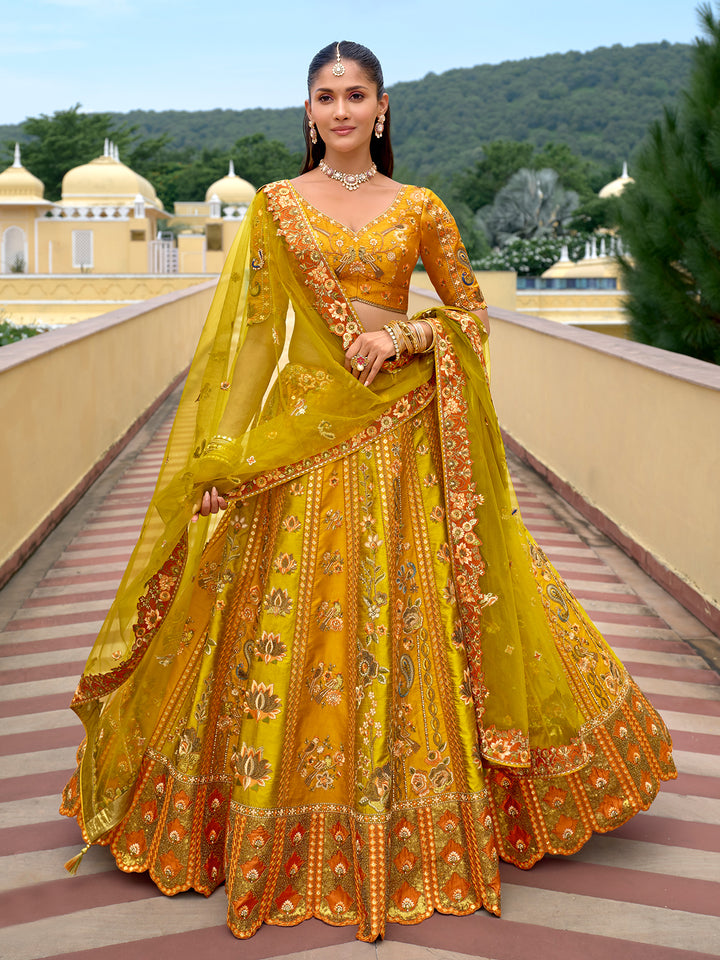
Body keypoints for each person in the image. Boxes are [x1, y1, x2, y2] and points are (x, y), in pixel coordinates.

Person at [61, 41, 676, 943]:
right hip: (300, 447)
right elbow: (249, 348)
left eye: (356, 95)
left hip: (398, 446)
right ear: (308, 112)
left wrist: (405, 341)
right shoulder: (275, 211)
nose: (341, 110)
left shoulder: (419, 208)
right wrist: (222, 459)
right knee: (272, 621)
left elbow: (470, 314)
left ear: (381, 108)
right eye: (325, 96)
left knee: (414, 615)